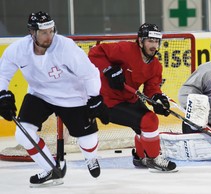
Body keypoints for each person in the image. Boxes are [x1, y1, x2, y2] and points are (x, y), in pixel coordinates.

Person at [0, 11, 109, 186]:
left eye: (51, 31)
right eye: (43, 32)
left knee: (88, 139)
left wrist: (95, 97)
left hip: (72, 97)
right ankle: (51, 169)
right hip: (39, 94)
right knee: (23, 134)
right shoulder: (18, 49)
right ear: (32, 32)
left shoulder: (66, 47)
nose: (49, 36)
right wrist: (2, 94)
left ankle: (91, 158)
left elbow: (90, 73)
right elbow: (3, 73)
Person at [88, 23, 177, 172]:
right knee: (150, 121)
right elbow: (95, 53)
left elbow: (151, 88)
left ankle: (140, 157)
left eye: (156, 42)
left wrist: (157, 99)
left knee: (146, 125)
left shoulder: (155, 65)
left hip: (129, 98)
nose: (154, 45)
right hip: (107, 101)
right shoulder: (125, 49)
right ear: (141, 41)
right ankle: (153, 159)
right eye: (150, 41)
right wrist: (108, 69)